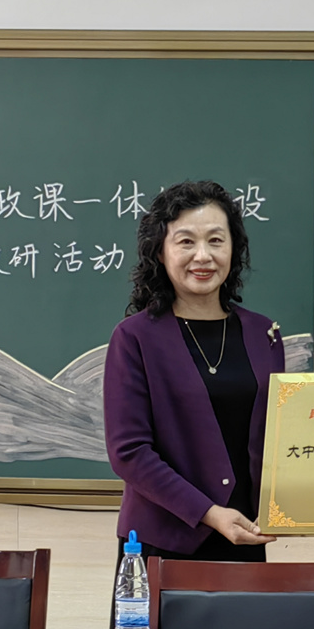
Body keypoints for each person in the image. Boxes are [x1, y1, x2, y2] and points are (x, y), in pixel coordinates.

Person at [103, 180, 284, 580]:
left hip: (244, 534)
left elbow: (278, 438)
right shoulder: (135, 337)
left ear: (233, 249)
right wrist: (209, 513)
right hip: (162, 542)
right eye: (186, 241)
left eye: (216, 240)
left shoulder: (263, 334)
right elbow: (129, 452)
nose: (203, 256)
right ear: (161, 251)